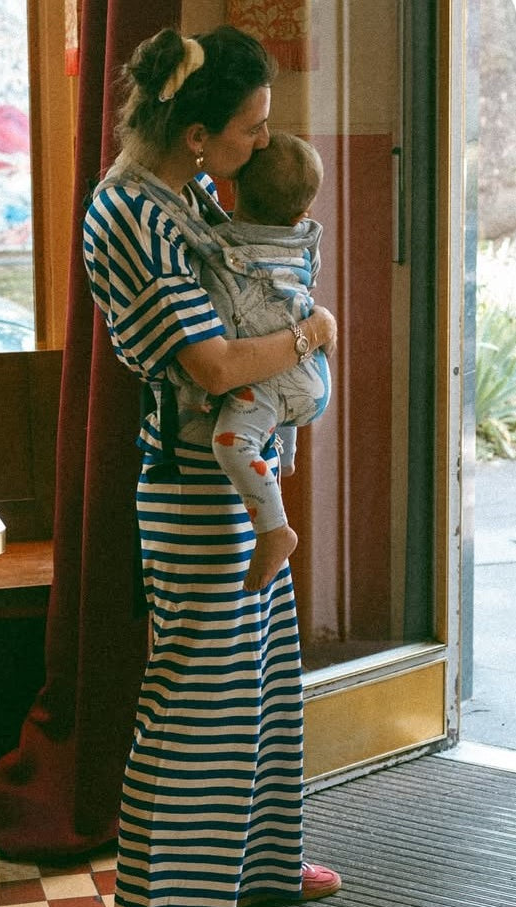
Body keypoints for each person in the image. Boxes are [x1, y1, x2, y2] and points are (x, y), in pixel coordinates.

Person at [82, 25, 342, 907]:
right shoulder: (126, 215)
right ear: (196, 132)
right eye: (250, 129)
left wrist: (287, 348)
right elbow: (213, 366)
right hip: (193, 485)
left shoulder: (183, 196)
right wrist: (309, 335)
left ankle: (262, 865)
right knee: (194, 709)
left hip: (236, 470)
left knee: (264, 682)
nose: (261, 146)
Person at [199, 132, 330, 591]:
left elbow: (220, 320)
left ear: (233, 191)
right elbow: (308, 288)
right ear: (302, 213)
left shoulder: (221, 246)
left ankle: (274, 531)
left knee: (231, 442)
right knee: (274, 393)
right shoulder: (306, 240)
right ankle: (287, 457)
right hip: (311, 374)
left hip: (270, 381)